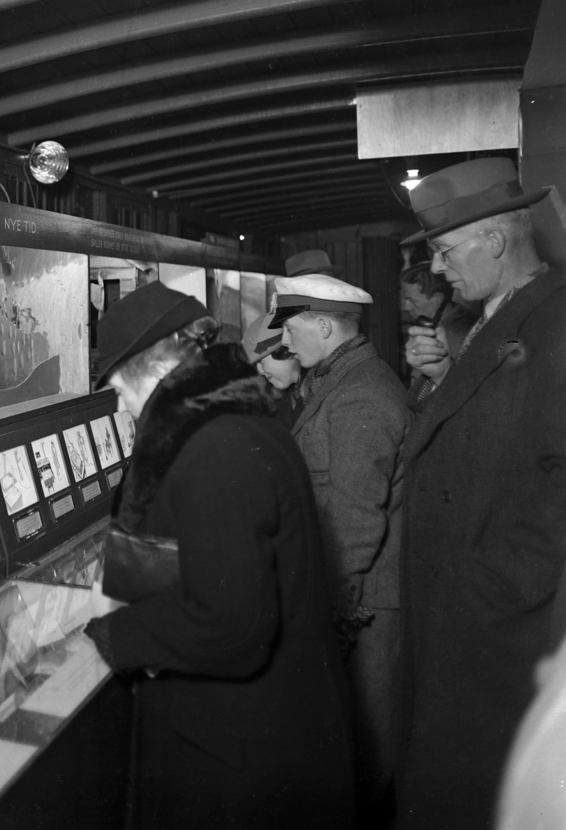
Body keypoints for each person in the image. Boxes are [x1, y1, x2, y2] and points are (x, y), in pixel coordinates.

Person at [83, 282, 356, 829]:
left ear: (158, 370)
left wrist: (112, 634)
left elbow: (231, 622)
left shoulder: (214, 443)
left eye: (119, 386)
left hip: (234, 751)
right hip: (258, 731)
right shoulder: (238, 419)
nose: (118, 403)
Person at [397, 156, 566, 830]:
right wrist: (438, 385)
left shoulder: (554, 326)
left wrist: (489, 587)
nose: (436, 271)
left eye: (443, 251)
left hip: (497, 637)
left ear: (493, 241)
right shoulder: (495, 320)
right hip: (465, 624)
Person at [268, 254, 410, 825]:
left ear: (324, 326)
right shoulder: (340, 381)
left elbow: (355, 521)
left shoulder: (360, 398)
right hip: (358, 598)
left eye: (290, 324)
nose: (281, 338)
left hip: (365, 604)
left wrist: (330, 613)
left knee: (367, 750)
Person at [399, 260, 478, 403]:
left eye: (412, 300)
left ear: (437, 299)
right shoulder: (435, 327)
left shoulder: (460, 335)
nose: (406, 307)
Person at [242, 311, 302, 427]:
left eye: (261, 362)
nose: (260, 371)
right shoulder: (289, 398)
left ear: (284, 352)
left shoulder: (322, 390)